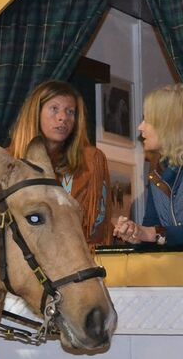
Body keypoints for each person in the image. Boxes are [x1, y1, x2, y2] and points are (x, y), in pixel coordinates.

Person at [113, 83, 183, 246]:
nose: (140, 127)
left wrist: (152, 234)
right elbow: (152, 228)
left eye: (147, 120)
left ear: (167, 125)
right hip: (176, 262)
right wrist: (135, 234)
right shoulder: (156, 171)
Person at [9, 80, 112, 245]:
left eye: (70, 112)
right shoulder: (9, 162)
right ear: (36, 113)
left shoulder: (91, 160)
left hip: (77, 253)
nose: (63, 117)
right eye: (54, 109)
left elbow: (97, 228)